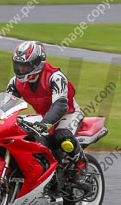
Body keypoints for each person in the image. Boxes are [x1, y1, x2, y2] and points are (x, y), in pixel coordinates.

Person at [5, 41, 86, 181]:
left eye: (25, 65)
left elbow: (61, 105)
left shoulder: (55, 77)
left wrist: (46, 123)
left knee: (62, 136)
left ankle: (81, 164)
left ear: (37, 63)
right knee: (21, 134)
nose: (21, 69)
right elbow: (6, 106)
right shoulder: (15, 82)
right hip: (43, 116)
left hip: (69, 113)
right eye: (18, 64)